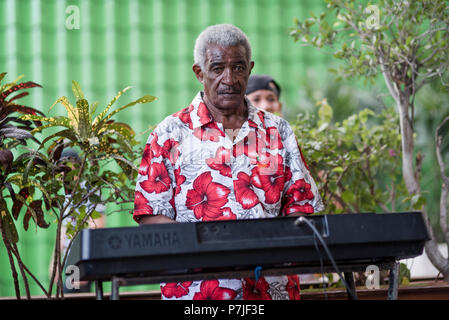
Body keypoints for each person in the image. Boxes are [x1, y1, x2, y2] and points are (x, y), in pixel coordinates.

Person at [133, 24, 324, 300]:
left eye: (238, 68)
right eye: (217, 68)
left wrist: (272, 249)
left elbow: (301, 208)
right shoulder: (169, 134)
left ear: (250, 68)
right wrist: (210, 248)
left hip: (271, 291)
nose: (229, 79)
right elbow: (151, 215)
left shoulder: (278, 131)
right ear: (199, 73)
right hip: (197, 293)